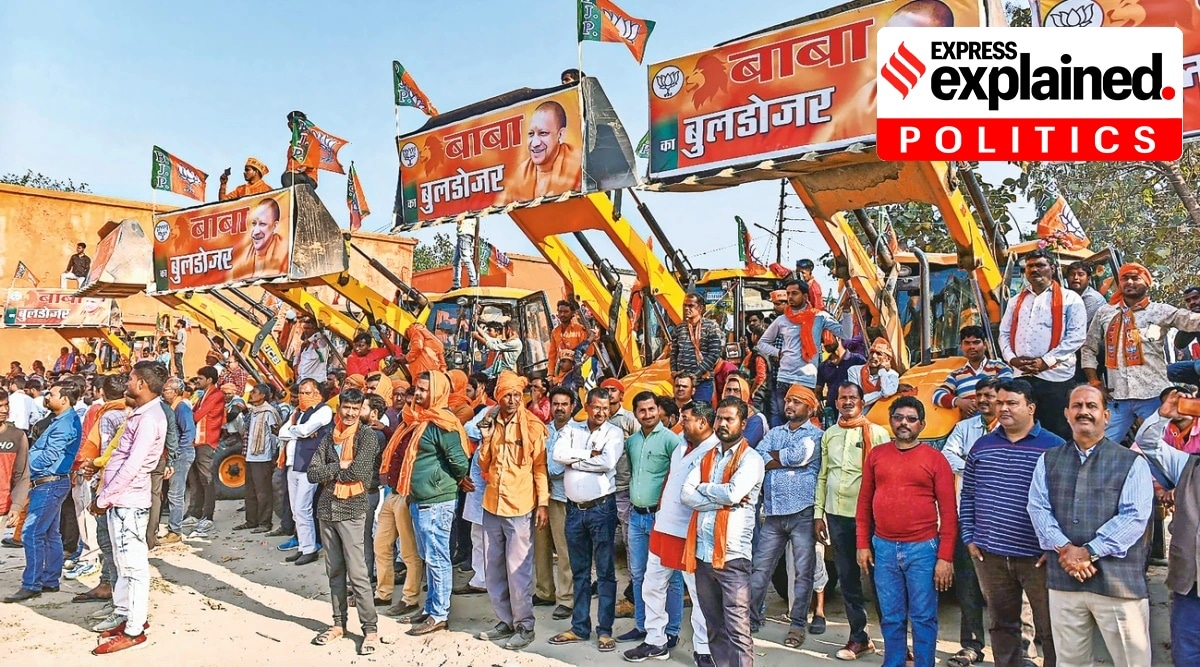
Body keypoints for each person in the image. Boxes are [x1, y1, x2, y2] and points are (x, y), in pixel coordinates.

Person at [1028, 385, 1154, 667]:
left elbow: (1134, 517)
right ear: (1067, 414)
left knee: (1132, 661)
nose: (1084, 411)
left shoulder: (1131, 462)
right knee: (1070, 661)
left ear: (1106, 416)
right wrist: (1065, 548)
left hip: (1118, 584)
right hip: (1064, 581)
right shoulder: (1049, 459)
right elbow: (1037, 508)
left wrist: (1087, 552)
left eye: (1091, 406)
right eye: (1077, 406)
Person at [958, 379, 1062, 667]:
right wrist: (969, 535)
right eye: (1000, 402)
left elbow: (1066, 502)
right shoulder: (982, 446)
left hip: (1038, 557)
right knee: (1002, 626)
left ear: (1030, 407)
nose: (1002, 408)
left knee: (1051, 627)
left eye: (1011, 403)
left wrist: (1056, 545)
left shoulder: (1054, 447)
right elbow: (969, 494)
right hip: (990, 555)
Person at [856, 396, 957, 667]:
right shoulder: (877, 455)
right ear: (891, 421)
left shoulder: (936, 460)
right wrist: (862, 544)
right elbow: (864, 502)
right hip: (884, 548)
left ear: (922, 425)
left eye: (911, 419)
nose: (904, 423)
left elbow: (949, 514)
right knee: (891, 616)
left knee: (923, 617)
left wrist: (945, 558)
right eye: (899, 417)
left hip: (923, 549)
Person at [379, 371, 470, 636]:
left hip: (436, 502)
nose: (418, 394)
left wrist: (437, 483)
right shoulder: (416, 420)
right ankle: (431, 608)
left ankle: (439, 614)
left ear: (438, 392)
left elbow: (460, 463)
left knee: (437, 558)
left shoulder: (443, 424)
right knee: (429, 557)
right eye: (416, 389)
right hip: (419, 500)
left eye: (424, 390)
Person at [626, 401, 716, 665]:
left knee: (700, 595)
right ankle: (656, 641)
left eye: (686, 418)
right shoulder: (680, 444)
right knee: (652, 585)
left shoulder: (714, 450)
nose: (681, 423)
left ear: (702, 422)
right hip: (663, 526)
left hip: (690, 533)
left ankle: (704, 650)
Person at [88, 361, 168, 655]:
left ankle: (134, 629)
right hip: (120, 502)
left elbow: (133, 465)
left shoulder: (149, 419)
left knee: (134, 568)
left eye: (132, 378)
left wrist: (104, 498)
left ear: (142, 384)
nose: (128, 383)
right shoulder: (140, 413)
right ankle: (124, 615)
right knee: (123, 565)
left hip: (128, 504)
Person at [681, 397, 765, 667]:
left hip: (732, 557)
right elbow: (685, 494)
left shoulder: (752, 459)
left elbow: (734, 493)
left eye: (729, 419)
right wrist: (720, 496)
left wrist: (704, 488)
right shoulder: (707, 455)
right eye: (719, 418)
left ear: (743, 423)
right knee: (714, 627)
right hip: (703, 556)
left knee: (738, 631)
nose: (723, 423)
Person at [814, 382, 891, 661]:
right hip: (837, 516)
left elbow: (888, 478)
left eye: (852, 398)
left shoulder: (879, 434)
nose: (847, 402)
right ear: (836, 402)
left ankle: (894, 642)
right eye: (842, 398)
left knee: (881, 580)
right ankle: (859, 637)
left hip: (872, 518)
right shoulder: (829, 435)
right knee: (848, 579)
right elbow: (823, 475)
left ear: (861, 402)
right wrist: (818, 514)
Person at [1083, 262, 1200, 442]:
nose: (1129, 282)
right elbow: (1088, 348)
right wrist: (1094, 381)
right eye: (1124, 278)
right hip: (1118, 398)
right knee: (1098, 446)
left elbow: (1192, 320)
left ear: (1146, 283)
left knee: (1164, 447)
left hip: (1153, 397)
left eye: (1135, 278)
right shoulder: (1105, 312)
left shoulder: (1161, 311)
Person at [474, 371, 548, 650]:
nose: (514, 399)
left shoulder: (532, 426)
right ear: (499, 396)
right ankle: (504, 621)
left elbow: (540, 467)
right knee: (493, 569)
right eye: (508, 394)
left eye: (518, 394)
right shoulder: (491, 422)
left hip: (520, 507)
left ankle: (524, 626)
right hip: (492, 504)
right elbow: (484, 464)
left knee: (518, 571)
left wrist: (542, 503)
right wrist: (485, 438)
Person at [306, 388, 381, 655]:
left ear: (361, 409)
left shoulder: (367, 436)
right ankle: (338, 625)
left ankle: (370, 630)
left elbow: (359, 473)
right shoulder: (329, 436)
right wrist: (340, 467)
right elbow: (312, 474)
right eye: (345, 408)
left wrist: (334, 472)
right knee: (334, 571)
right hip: (326, 509)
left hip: (352, 509)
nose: (349, 413)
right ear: (339, 408)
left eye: (354, 408)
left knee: (359, 574)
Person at [548, 388, 623, 652]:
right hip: (573, 510)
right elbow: (558, 455)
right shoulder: (572, 429)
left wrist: (575, 460)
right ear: (587, 406)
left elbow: (607, 462)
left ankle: (604, 630)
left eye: (606, 407)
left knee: (604, 573)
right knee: (579, 571)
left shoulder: (613, 432)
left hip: (601, 510)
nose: (602, 412)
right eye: (597, 407)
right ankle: (579, 627)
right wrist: (587, 455)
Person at [750, 384, 823, 647]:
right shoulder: (776, 431)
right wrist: (785, 459)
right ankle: (751, 618)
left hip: (803, 512)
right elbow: (757, 456)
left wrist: (776, 459)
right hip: (773, 513)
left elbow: (800, 455)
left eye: (797, 402)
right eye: (788, 400)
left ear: (809, 407)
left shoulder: (816, 435)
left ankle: (797, 624)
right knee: (760, 568)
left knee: (804, 572)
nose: (789, 405)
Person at [1133, 388, 1200, 665]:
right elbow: (1148, 443)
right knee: (1186, 653)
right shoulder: (1188, 464)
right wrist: (1163, 415)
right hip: (1190, 582)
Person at [3, 382, 82, 603]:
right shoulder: (60, 421)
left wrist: (22, 468)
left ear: (65, 399)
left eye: (53, 394)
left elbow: (48, 456)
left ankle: (32, 584)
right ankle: (49, 579)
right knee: (50, 533)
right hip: (50, 482)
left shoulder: (65, 425)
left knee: (32, 533)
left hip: (49, 483)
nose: (48, 397)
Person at [617, 391, 683, 648]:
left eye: (651, 409)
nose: (647, 415)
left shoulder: (671, 441)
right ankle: (642, 625)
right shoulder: (632, 442)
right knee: (638, 573)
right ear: (636, 414)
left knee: (671, 576)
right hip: (636, 516)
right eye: (642, 411)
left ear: (659, 410)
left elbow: (676, 478)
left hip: (661, 519)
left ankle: (673, 629)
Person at [999, 248, 1087, 440]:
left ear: (1052, 269)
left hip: (1055, 377)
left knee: (1057, 432)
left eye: (1040, 265)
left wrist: (1045, 361)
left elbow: (1077, 336)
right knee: (1021, 430)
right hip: (1021, 375)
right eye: (1030, 266)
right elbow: (1004, 333)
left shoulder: (1070, 298)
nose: (1034, 270)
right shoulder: (1015, 301)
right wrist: (1012, 359)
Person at [756, 279, 843, 426]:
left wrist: (846, 312)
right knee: (783, 422)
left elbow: (845, 333)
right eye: (788, 293)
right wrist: (778, 352)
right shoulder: (781, 320)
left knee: (804, 422)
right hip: (784, 378)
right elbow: (762, 343)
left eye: (794, 293)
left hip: (806, 379)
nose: (790, 297)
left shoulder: (819, 317)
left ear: (805, 296)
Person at [279, 378, 333, 565]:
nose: (302, 396)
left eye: (306, 392)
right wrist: (299, 431)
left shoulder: (323, 410)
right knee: (296, 510)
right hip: (292, 464)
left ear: (317, 393)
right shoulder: (297, 413)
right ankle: (303, 546)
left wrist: (300, 431)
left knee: (303, 508)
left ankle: (310, 549)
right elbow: (282, 432)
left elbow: (305, 430)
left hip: (309, 466)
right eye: (301, 393)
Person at [539, 387, 579, 621]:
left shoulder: (578, 432)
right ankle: (544, 591)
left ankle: (566, 599)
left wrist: (545, 468)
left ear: (572, 406)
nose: (560, 408)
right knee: (540, 548)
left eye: (564, 404)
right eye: (556, 404)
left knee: (564, 551)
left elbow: (554, 468)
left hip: (564, 497)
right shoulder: (544, 430)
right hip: (543, 496)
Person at [504, 101, 582, 202]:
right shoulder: (522, 173)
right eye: (531, 134)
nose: (535, 143)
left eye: (543, 133)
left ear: (561, 135)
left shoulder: (579, 164)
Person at [933, 326, 1013, 416]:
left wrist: (978, 403)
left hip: (998, 423)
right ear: (961, 347)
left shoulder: (1000, 368)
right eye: (967, 343)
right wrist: (959, 402)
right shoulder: (956, 375)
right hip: (969, 426)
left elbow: (1006, 391)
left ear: (985, 345)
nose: (971, 347)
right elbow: (937, 395)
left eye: (976, 342)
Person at [184, 366, 224, 538]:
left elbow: (197, 415)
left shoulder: (216, 395)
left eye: (200, 378)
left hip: (206, 441)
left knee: (206, 479)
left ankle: (208, 515)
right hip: (196, 441)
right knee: (194, 479)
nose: (197, 381)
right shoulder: (202, 396)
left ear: (209, 380)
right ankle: (194, 513)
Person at [235, 384, 280, 533]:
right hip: (250, 456)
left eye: (254, 392)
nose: (251, 394)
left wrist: (274, 455)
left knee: (263, 493)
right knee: (250, 491)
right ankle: (251, 521)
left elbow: (275, 434)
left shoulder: (268, 412)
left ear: (262, 396)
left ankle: (264, 523)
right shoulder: (252, 412)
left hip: (263, 457)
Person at [160, 378, 195, 544]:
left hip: (182, 454)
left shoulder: (182, 408)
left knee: (176, 493)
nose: (163, 392)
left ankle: (175, 531)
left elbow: (188, 432)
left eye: (166, 390)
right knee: (171, 492)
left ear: (175, 392)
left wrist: (177, 453)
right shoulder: (173, 407)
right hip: (177, 454)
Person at [671, 293, 724, 403]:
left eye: (690, 306)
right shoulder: (680, 328)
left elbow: (714, 354)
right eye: (685, 305)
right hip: (683, 384)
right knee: (682, 413)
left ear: (700, 308)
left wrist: (696, 374)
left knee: (700, 413)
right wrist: (674, 371)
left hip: (702, 382)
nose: (686, 308)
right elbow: (674, 352)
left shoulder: (711, 327)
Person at [816, 330, 866, 426]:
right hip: (832, 413)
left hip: (853, 409)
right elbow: (818, 389)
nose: (825, 344)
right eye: (822, 341)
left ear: (838, 337)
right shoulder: (823, 366)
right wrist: (818, 404)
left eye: (827, 339)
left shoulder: (857, 360)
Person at [0, 391, 30, 541]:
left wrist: (17, 506)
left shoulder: (17, 436)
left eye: (6, 405)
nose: (4, 410)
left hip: (3, 506)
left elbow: (22, 475)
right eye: (0, 406)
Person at [848, 337, 900, 410]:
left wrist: (882, 370)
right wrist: (880, 393)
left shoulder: (893, 375)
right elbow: (856, 401)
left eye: (879, 354)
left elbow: (887, 392)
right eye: (872, 352)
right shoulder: (854, 370)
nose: (873, 356)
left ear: (887, 359)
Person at [721, 374, 768, 447]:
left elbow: (743, 446)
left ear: (744, 393)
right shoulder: (720, 413)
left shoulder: (756, 419)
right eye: (728, 390)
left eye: (736, 391)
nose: (731, 394)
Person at [1168, 285, 1200, 385]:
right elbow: (1179, 344)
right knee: (1171, 370)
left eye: (1195, 298)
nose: (1192, 302)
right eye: (1188, 301)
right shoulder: (1193, 320)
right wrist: (1190, 321)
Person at [548, 300, 592, 368]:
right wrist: (550, 374)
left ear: (572, 313)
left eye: (566, 312)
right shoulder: (555, 332)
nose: (562, 314)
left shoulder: (580, 330)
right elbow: (552, 356)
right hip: (560, 372)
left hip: (576, 370)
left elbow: (587, 352)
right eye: (560, 312)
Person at [1064, 261, 1106, 327]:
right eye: (1072, 274)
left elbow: (1076, 325)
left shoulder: (1092, 298)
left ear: (1088, 279)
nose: (1075, 278)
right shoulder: (1071, 296)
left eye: (1080, 275)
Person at [293, 316, 332, 383]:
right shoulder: (304, 346)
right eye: (304, 328)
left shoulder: (320, 343)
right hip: (301, 380)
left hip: (316, 383)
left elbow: (325, 334)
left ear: (315, 329)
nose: (305, 331)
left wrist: (309, 340)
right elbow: (297, 361)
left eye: (308, 328)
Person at [451, 217, 479, 290]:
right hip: (464, 235)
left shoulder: (467, 213)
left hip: (464, 235)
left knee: (466, 258)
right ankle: (456, 284)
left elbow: (460, 220)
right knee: (456, 260)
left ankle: (473, 281)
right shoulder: (471, 215)